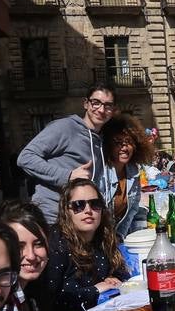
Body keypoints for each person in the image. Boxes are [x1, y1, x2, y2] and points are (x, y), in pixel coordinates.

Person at [34, 178, 129, 311]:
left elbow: (120, 268)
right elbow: (52, 302)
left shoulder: (103, 237)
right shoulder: (56, 245)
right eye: (79, 205)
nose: (88, 210)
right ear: (67, 210)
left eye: (95, 204)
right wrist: (95, 289)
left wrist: (115, 276)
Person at [17, 84, 117, 223]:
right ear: (86, 104)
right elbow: (25, 158)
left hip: (80, 218)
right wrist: (67, 175)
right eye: (96, 103)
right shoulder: (65, 127)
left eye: (108, 105)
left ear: (113, 110)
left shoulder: (100, 139)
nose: (101, 109)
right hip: (53, 216)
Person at [100, 112, 154, 237]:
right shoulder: (101, 173)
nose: (124, 148)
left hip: (116, 238)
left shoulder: (133, 171)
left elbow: (132, 209)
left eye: (129, 142)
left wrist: (120, 236)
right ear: (108, 145)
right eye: (118, 142)